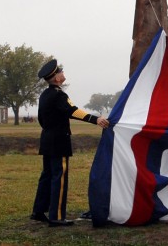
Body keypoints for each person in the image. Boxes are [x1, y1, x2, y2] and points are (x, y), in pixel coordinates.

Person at [30, 59, 109, 227]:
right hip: (59, 141)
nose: (63, 74)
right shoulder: (59, 95)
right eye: (61, 72)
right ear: (57, 78)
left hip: (47, 139)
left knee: (47, 175)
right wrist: (96, 119)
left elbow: (41, 119)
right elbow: (73, 111)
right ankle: (56, 216)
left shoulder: (44, 95)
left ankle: (38, 211)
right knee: (59, 177)